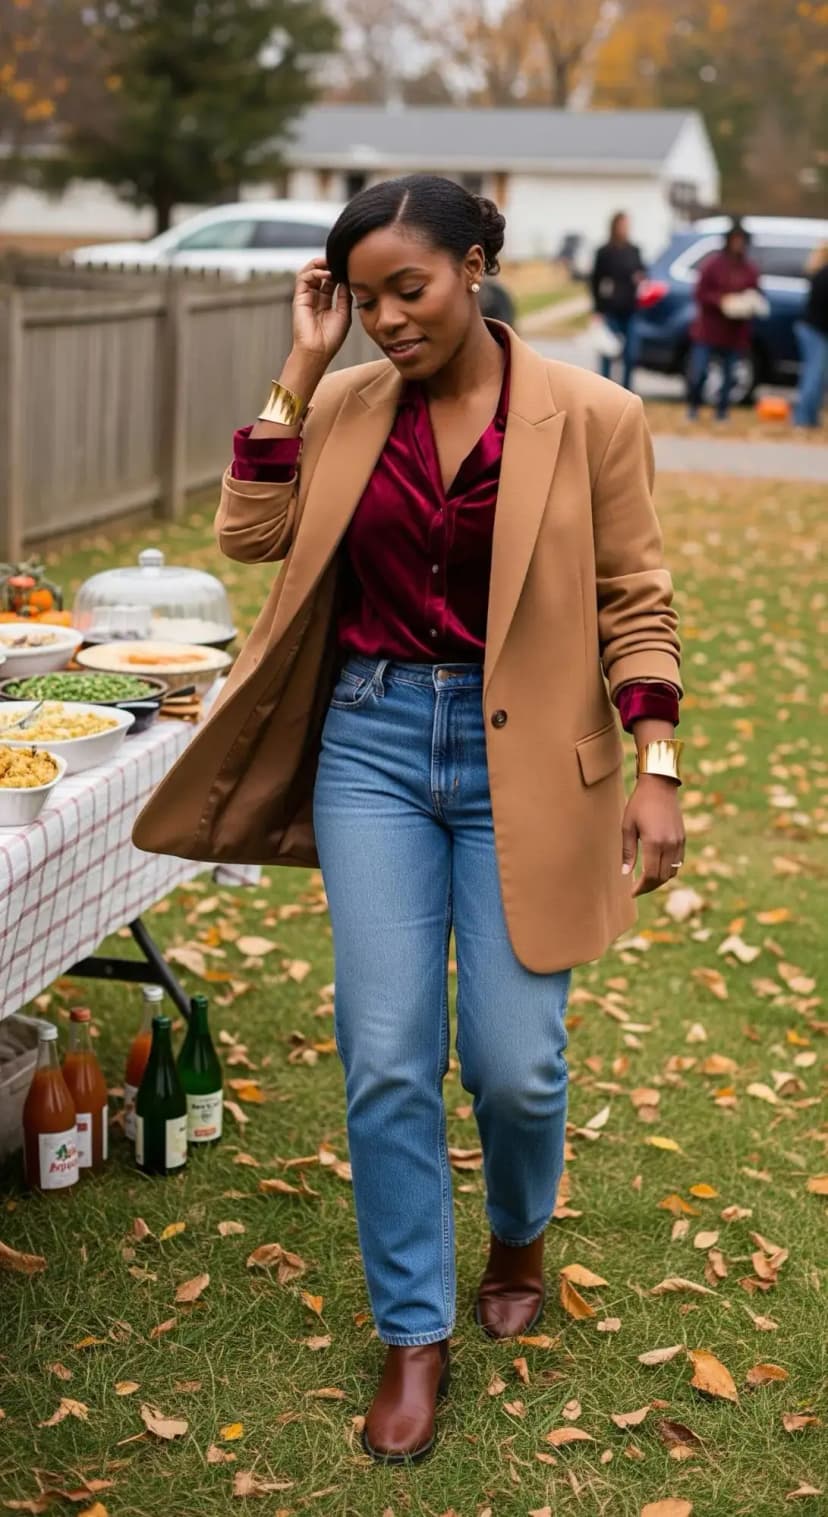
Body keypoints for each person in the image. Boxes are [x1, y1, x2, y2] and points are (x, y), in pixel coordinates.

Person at [134, 175, 684, 1465]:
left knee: (513, 1062)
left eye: (408, 289)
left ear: (478, 265)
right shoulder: (342, 401)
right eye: (364, 295)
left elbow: (638, 595)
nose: (385, 317)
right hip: (372, 745)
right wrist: (300, 358)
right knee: (386, 1055)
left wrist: (655, 763)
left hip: (529, 766)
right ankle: (413, 1333)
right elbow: (250, 529)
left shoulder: (594, 415)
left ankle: (519, 1228)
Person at [687, 218, 764, 422]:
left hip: (735, 332)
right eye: (735, 240)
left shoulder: (749, 269)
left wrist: (748, 303)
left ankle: (722, 412)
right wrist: (721, 301)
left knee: (731, 375)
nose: (738, 244)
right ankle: (694, 408)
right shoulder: (713, 265)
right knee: (699, 372)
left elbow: (756, 293)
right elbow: (700, 293)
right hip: (709, 329)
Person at [589, 211, 645, 390]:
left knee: (630, 354)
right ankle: (605, 390)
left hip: (630, 309)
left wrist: (640, 278)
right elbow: (595, 281)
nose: (625, 229)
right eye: (622, 225)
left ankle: (627, 390)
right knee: (608, 352)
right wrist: (597, 310)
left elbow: (642, 272)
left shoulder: (634, 251)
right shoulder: (604, 252)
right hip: (610, 309)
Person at [793, 243, 828, 429]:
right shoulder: (824, 275)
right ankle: (802, 419)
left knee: (819, 376)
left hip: (816, 330)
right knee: (813, 376)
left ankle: (811, 417)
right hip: (815, 331)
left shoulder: (819, 271)